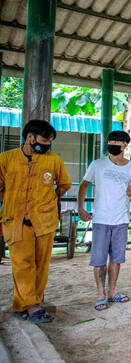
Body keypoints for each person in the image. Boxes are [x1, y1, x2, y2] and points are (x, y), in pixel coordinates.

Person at [0, 119, 72, 323]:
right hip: (15, 220)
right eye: (44, 140)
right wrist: (13, 200)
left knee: (42, 264)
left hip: (45, 221)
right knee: (22, 264)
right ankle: (32, 306)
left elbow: (64, 184)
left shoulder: (53, 160)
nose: (47, 144)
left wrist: (48, 199)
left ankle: (25, 304)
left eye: (50, 141)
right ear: (29, 137)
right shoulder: (6, 159)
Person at [77, 130, 131, 311]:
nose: (114, 143)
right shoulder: (98, 164)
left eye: (118, 141)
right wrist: (81, 207)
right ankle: (101, 294)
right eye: (111, 140)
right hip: (101, 219)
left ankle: (111, 292)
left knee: (116, 259)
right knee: (99, 259)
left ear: (125, 145)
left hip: (121, 220)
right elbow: (84, 185)